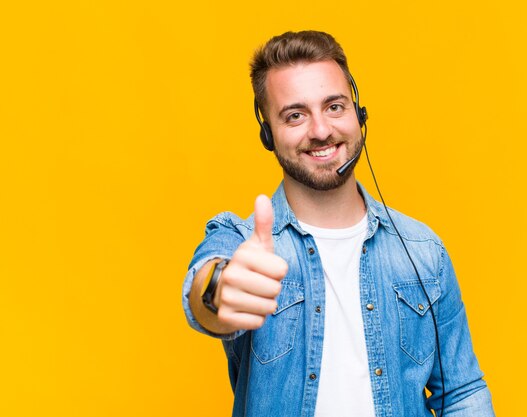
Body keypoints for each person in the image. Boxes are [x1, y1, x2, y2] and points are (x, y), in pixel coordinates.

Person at [182, 30, 495, 417]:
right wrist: (218, 290)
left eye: (334, 107)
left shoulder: (423, 250)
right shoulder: (244, 242)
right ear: (268, 134)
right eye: (295, 115)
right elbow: (205, 291)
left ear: (358, 113)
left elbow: (463, 393)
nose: (320, 130)